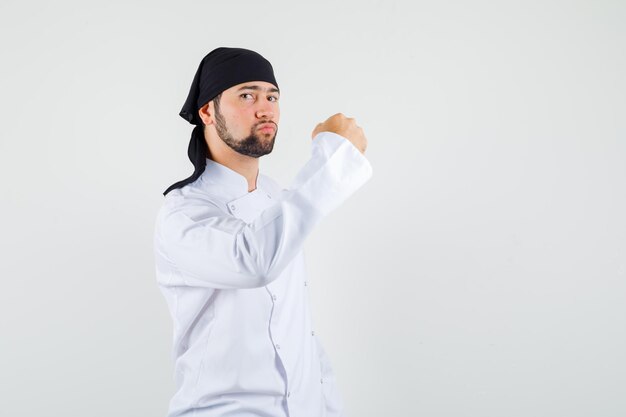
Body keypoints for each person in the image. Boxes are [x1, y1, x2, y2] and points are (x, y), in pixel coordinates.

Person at [154, 47, 372, 417]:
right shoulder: (183, 214)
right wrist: (331, 160)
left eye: (272, 96)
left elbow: (300, 333)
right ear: (207, 110)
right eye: (247, 95)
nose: (265, 108)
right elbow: (253, 263)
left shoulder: (276, 199)